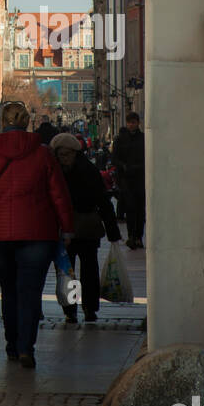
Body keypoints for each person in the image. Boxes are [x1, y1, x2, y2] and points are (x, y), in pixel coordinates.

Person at [0, 100, 73, 369]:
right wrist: (67, 227)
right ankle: (27, 347)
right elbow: (59, 195)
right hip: (38, 233)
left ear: (3, 122)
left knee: (9, 289)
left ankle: (12, 344)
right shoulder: (42, 154)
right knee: (30, 291)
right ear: (27, 121)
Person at [50, 133, 121, 323]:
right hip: (75, 228)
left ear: (74, 152)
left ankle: (83, 308)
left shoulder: (57, 171)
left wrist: (112, 229)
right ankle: (76, 309)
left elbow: (102, 200)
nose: (64, 157)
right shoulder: (85, 169)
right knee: (72, 270)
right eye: (61, 154)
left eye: (67, 154)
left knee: (80, 269)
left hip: (76, 228)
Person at [111, 112, 145, 249]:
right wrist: (123, 166)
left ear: (138, 123)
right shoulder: (120, 139)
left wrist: (141, 167)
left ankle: (139, 236)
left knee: (140, 209)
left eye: (134, 122)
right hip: (126, 179)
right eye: (129, 122)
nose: (131, 124)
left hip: (140, 177)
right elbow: (115, 158)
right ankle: (131, 235)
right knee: (130, 208)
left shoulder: (143, 138)